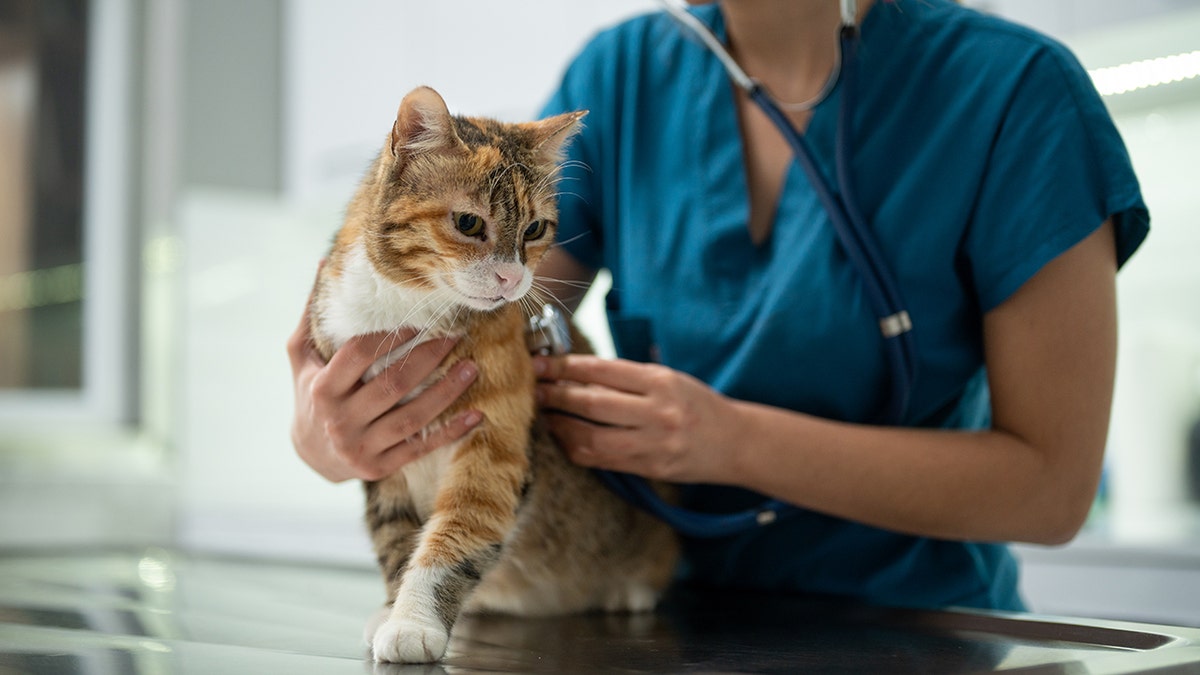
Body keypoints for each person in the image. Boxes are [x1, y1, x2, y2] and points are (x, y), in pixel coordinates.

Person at [288, 0, 1149, 612]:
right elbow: (480, 321)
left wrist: (730, 441)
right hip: (658, 610)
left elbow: (1053, 491)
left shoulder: (1018, 95)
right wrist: (334, 432)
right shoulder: (623, 75)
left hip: (919, 629)